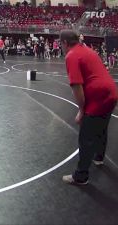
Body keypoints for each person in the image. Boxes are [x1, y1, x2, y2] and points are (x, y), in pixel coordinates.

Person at [60, 30, 118, 185]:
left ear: (64, 43)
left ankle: (81, 176)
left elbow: (77, 86)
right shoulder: (87, 49)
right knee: (102, 128)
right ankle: (99, 157)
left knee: (86, 138)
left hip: (98, 97)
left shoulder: (71, 55)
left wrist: (81, 110)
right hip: (111, 92)